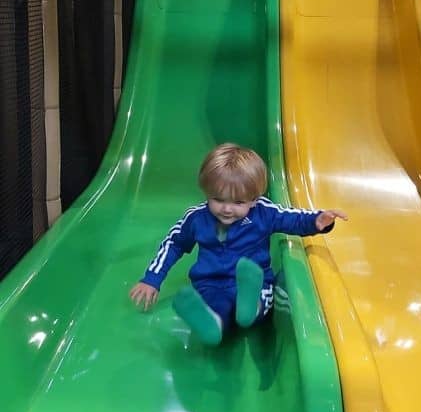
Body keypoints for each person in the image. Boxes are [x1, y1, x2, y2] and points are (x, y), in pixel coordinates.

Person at [129, 143, 347, 346]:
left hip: (254, 282)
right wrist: (152, 279)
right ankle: (214, 325)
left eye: (238, 202)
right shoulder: (196, 218)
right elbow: (174, 244)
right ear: (206, 193)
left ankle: (248, 308)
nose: (227, 209)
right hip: (211, 283)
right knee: (215, 306)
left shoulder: (264, 212)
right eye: (218, 199)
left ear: (254, 199)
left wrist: (317, 221)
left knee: (258, 296)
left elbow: (291, 218)